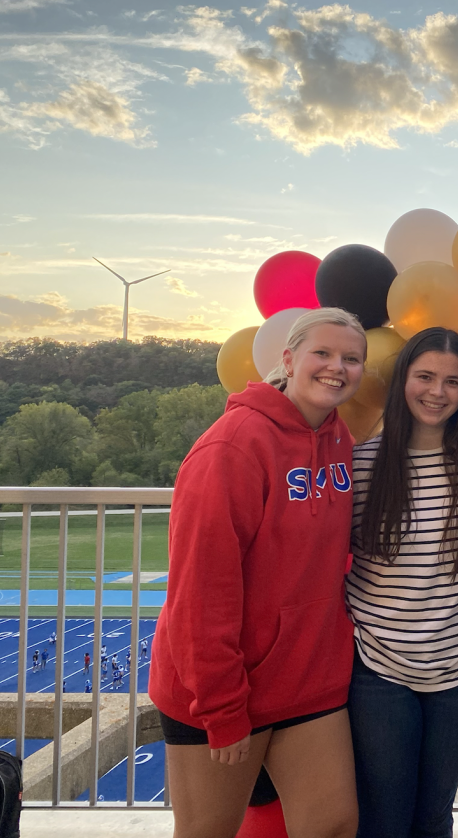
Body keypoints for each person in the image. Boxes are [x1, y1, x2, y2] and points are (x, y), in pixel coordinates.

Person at [149, 307, 366, 838]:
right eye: (323, 353)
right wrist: (222, 708)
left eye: (351, 358)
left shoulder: (340, 440)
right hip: (221, 689)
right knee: (209, 830)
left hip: (307, 681)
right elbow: (201, 590)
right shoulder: (233, 446)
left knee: (335, 824)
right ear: (288, 359)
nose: (336, 367)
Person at [347, 327, 458, 838]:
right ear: (403, 381)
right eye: (425, 376)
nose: (437, 392)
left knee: (433, 815)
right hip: (379, 667)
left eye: (453, 381)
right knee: (383, 815)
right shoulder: (362, 464)